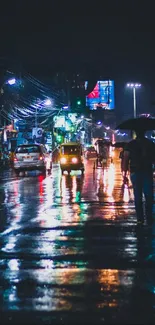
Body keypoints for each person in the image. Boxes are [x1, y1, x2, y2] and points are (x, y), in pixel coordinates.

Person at [123, 129, 155, 225]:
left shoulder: (130, 144)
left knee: (138, 196)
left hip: (135, 172)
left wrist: (124, 174)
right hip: (147, 172)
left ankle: (140, 219)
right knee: (149, 196)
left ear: (135, 133)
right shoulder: (150, 144)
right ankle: (149, 217)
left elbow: (125, 159)